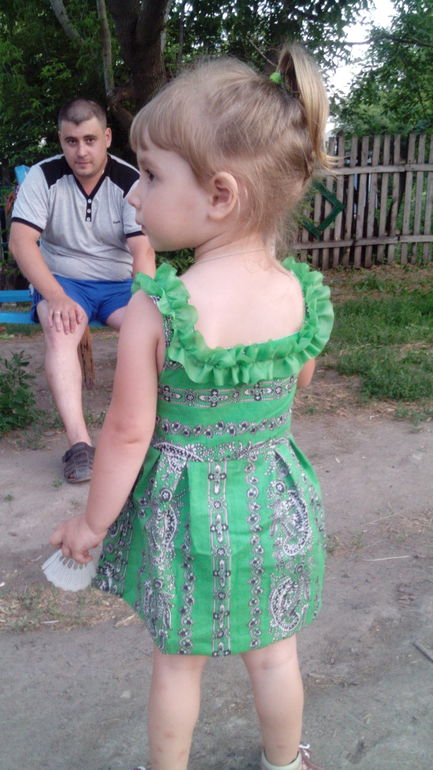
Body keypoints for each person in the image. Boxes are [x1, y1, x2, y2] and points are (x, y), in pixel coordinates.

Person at [49, 44, 334, 770]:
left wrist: (91, 524)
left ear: (219, 195)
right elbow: (299, 383)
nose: (133, 196)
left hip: (187, 521)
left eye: (148, 175)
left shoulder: (158, 310)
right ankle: (285, 763)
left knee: (179, 662)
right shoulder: (300, 293)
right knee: (274, 654)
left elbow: (126, 433)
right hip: (274, 504)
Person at [8, 98, 155, 483]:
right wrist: (56, 296)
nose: (81, 151)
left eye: (90, 140)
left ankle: (150, 435)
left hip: (118, 285)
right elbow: (21, 243)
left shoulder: (128, 180)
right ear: (60, 140)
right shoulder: (43, 177)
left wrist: (142, 300)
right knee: (60, 331)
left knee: (153, 333)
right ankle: (79, 446)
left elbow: (143, 251)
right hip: (63, 282)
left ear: (106, 137)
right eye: (71, 141)